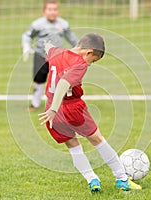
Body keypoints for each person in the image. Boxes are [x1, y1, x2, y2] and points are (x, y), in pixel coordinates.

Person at [38, 33, 142, 193]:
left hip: (53, 113)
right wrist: (54, 108)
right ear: (88, 52)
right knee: (98, 140)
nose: (90, 64)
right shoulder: (79, 63)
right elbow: (63, 84)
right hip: (71, 108)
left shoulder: (56, 52)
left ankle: (92, 179)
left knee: (73, 146)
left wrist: (45, 41)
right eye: (93, 60)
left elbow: (48, 47)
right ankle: (122, 179)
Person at [21, 0, 78, 111]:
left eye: (55, 9)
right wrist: (26, 46)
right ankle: (35, 104)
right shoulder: (37, 24)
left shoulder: (63, 24)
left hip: (57, 57)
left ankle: (59, 105)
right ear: (44, 12)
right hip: (41, 55)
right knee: (39, 79)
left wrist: (80, 50)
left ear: (58, 11)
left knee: (59, 80)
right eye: (50, 9)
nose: (52, 12)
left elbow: (72, 39)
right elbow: (27, 35)